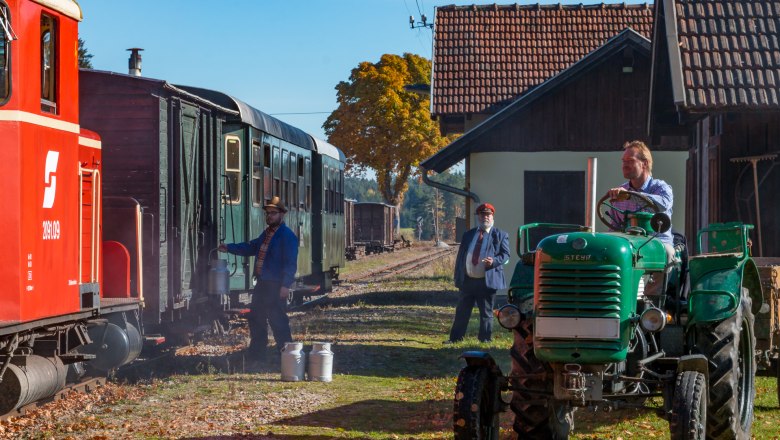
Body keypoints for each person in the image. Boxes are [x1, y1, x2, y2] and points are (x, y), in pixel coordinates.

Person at [218, 196, 298, 361]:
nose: (269, 216)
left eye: (273, 213)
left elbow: (290, 263)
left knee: (278, 320)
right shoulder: (267, 234)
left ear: (282, 214)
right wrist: (229, 248)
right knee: (256, 318)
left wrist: (286, 285)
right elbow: (250, 247)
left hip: (275, 285)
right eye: (268, 213)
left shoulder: (287, 236)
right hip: (262, 283)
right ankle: (257, 353)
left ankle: (287, 355)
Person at [445, 202, 511, 344]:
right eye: (482, 215)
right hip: (468, 280)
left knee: (486, 313)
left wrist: (493, 261)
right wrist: (458, 276)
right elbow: (461, 257)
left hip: (486, 281)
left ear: (492, 217)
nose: (485, 217)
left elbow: (505, 255)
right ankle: (455, 339)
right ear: (478, 217)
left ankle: (485, 340)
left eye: (488, 215)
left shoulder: (500, 235)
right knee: (462, 312)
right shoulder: (468, 235)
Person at [607, 140, 674, 246]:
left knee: (669, 253)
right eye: (623, 161)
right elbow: (614, 227)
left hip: (658, 243)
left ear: (645, 163)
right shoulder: (621, 192)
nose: (624, 165)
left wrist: (630, 196)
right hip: (630, 245)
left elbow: (663, 205)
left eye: (630, 161)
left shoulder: (660, 187)